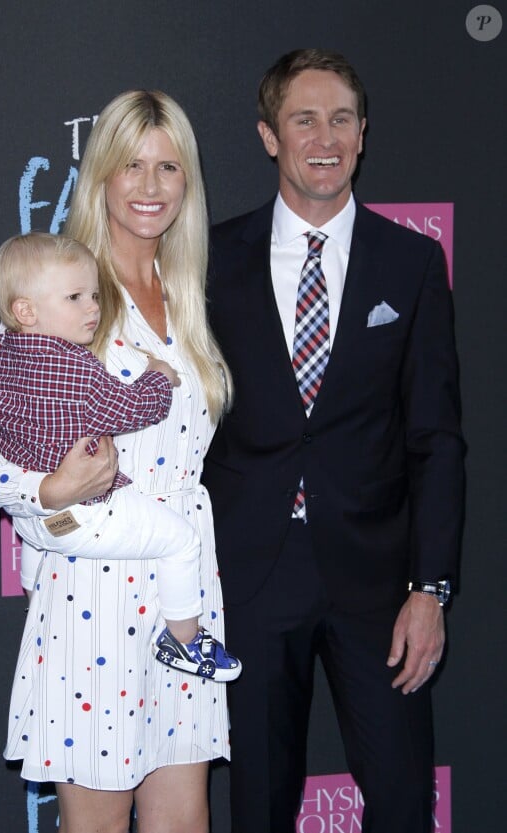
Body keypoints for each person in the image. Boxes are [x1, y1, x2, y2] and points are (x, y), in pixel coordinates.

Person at [0, 90, 234, 833]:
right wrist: (43, 487)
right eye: (130, 164)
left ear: (187, 183)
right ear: (99, 172)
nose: (149, 185)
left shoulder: (186, 292)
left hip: (182, 598)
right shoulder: (64, 291)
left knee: (183, 823)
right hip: (94, 600)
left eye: (168, 166)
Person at [202, 48, 465, 833]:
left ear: (363, 132)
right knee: (258, 805)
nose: (326, 136)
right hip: (248, 578)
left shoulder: (412, 261)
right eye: (304, 118)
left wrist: (432, 588)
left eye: (342, 118)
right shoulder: (212, 259)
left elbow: (438, 439)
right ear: (268, 135)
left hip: (379, 588)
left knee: (398, 803)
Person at [0, 231, 240, 683]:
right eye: (75, 298)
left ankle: (39, 604)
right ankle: (185, 640)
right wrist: (158, 376)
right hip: (87, 516)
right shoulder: (77, 370)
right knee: (182, 541)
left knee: (37, 543)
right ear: (25, 310)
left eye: (94, 295)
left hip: (37, 526)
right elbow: (134, 409)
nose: (93, 307)